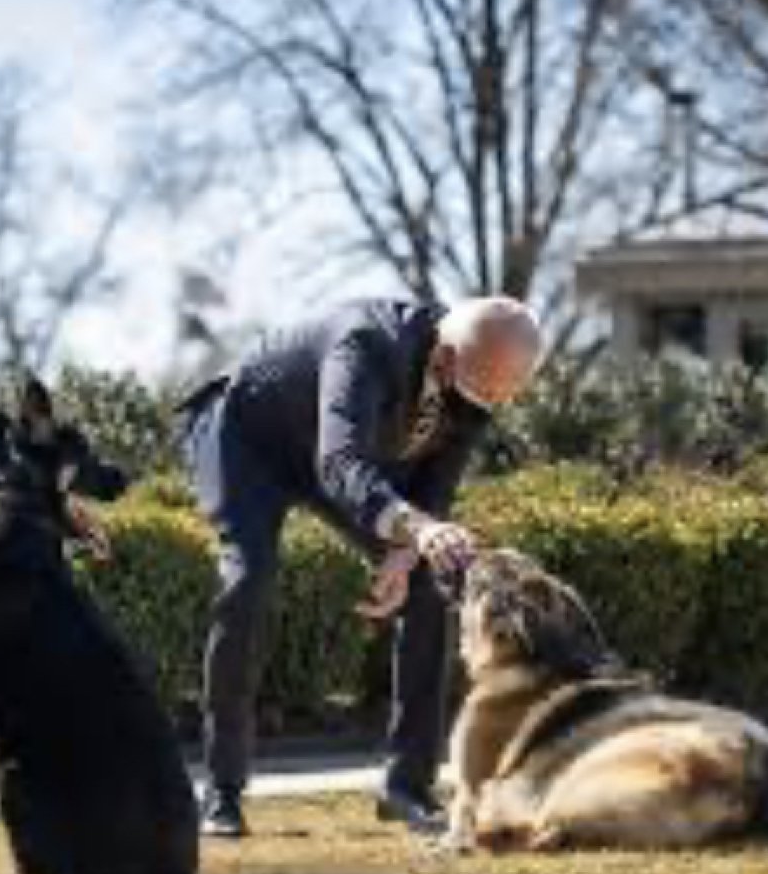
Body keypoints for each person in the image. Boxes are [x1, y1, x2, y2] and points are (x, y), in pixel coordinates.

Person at [176, 295, 542, 838]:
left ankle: (406, 788)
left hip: (337, 460)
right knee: (248, 578)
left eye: (498, 398)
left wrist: (405, 552)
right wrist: (415, 527)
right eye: (479, 392)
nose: (484, 408)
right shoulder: (366, 345)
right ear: (443, 358)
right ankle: (222, 791)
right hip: (247, 441)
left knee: (432, 582)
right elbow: (340, 463)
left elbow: (435, 485)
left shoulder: (476, 375)